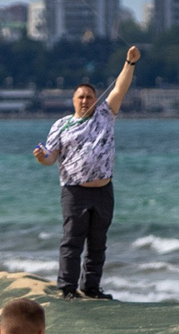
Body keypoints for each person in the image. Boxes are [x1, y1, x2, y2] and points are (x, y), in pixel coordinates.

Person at [32, 45, 139, 299]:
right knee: (72, 241)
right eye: (80, 97)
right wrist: (41, 157)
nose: (85, 101)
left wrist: (129, 63)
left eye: (89, 97)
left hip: (103, 190)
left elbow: (119, 88)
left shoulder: (105, 114)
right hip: (74, 191)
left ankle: (91, 287)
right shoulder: (62, 125)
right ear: (73, 100)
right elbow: (50, 156)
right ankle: (66, 287)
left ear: (95, 100)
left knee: (98, 243)